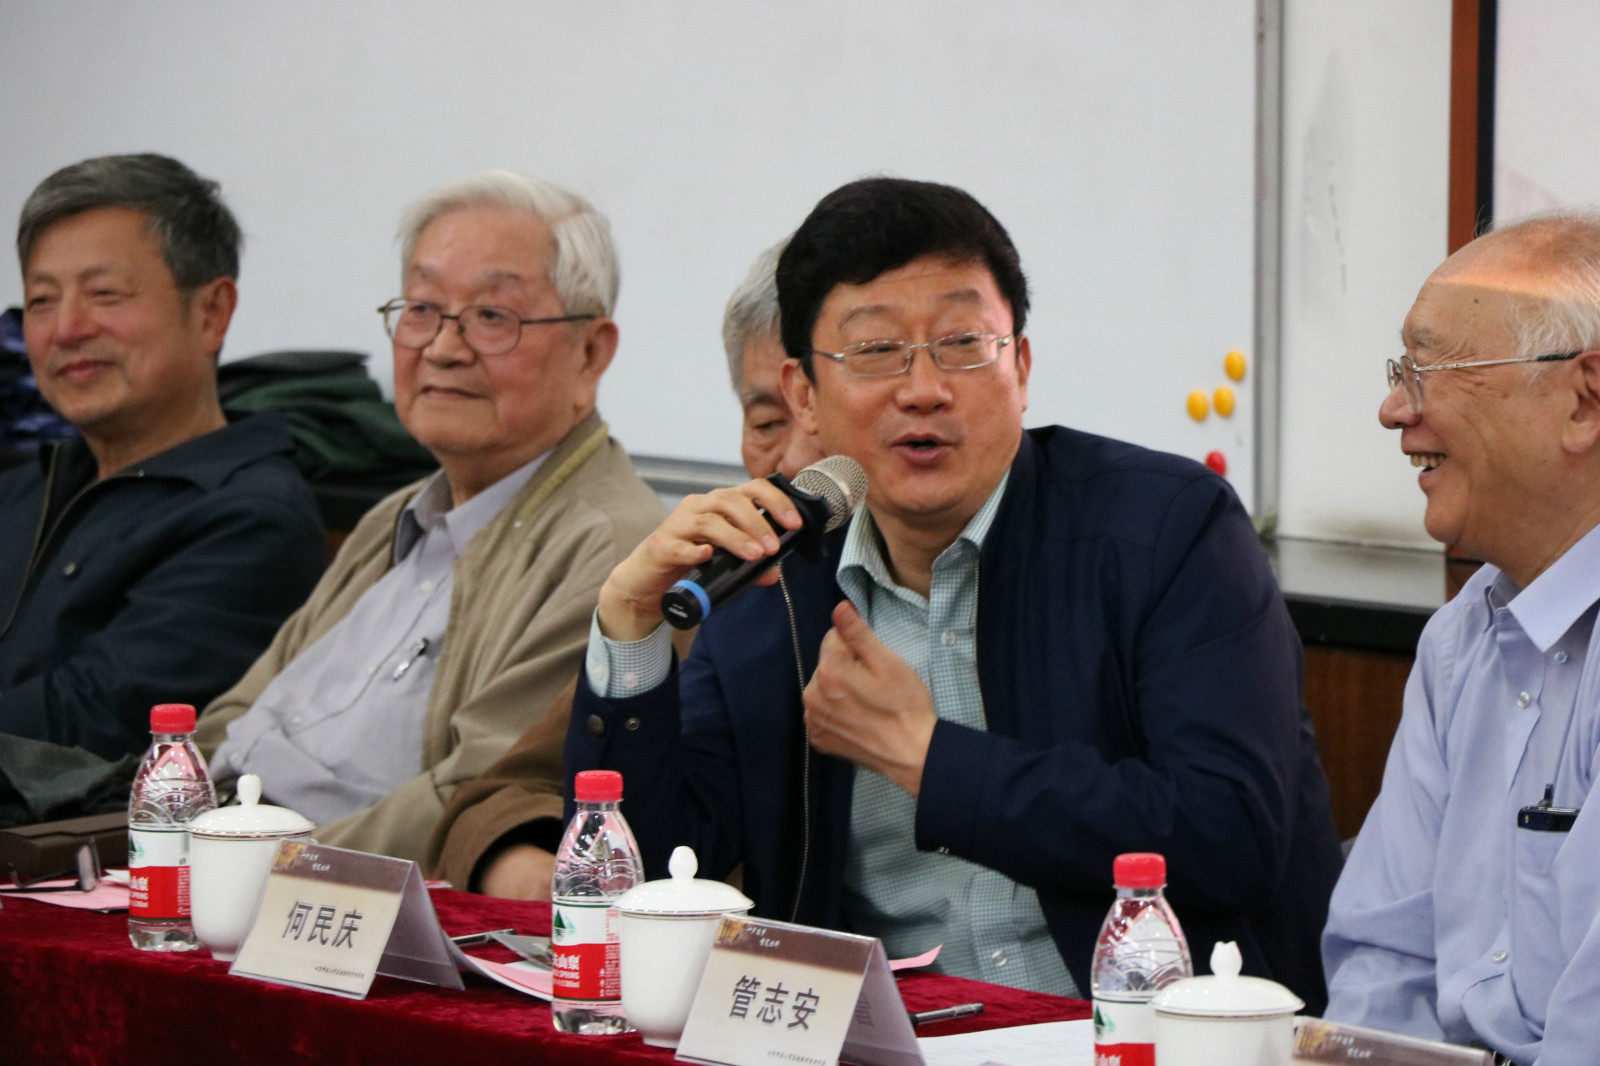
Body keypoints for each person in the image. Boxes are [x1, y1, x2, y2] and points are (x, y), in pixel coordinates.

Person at [566, 177, 1343, 1005]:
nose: (924, 388)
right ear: (804, 397)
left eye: (964, 343)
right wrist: (630, 624)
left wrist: (929, 758)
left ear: (1022, 368)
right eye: (875, 351)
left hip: (1125, 1036)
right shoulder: (776, 582)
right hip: (883, 1040)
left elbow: (1230, 833)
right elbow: (649, 873)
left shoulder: (1166, 532)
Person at [195, 171, 664, 862]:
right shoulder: (397, 516)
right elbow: (236, 717)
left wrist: (251, 867)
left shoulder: (613, 552)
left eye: (492, 315)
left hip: (316, 892)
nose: (443, 347)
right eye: (422, 308)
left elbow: (473, 797)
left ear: (591, 352)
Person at [424, 237, 823, 895]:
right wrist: (539, 872)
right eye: (766, 422)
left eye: (824, 414)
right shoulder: (715, 589)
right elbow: (499, 797)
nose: (799, 461)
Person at [1323, 212, 1600, 1064]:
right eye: (1399, 372)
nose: (1393, 410)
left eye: (1429, 369)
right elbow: (1383, 954)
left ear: (1584, 400)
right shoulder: (1461, 638)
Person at [0, 153, 325, 764]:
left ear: (211, 313)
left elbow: (88, 722)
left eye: (104, 294)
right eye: (41, 300)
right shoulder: (22, 492)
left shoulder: (253, 520)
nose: (65, 328)